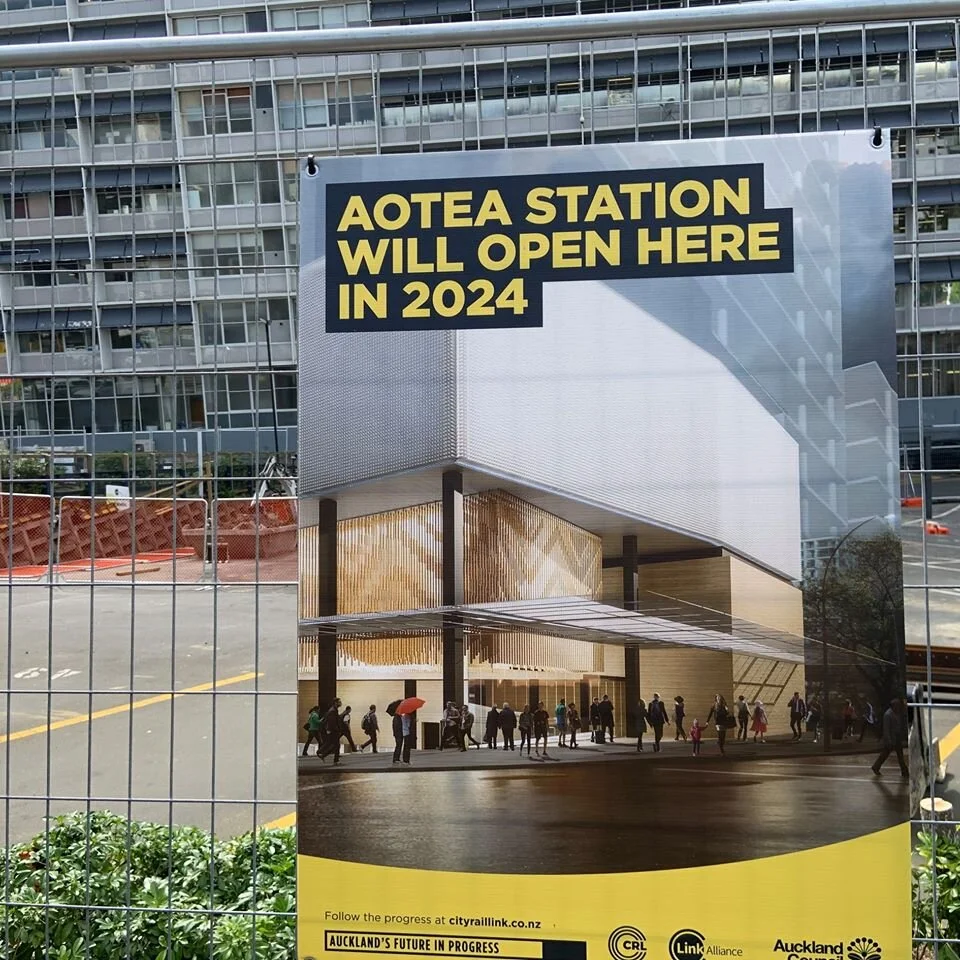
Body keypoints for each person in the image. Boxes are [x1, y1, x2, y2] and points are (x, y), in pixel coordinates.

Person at [872, 698, 909, 779]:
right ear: (893, 706)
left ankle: (904, 771)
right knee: (885, 754)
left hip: (897, 737)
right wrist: (888, 740)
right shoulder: (888, 715)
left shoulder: (897, 713)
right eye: (897, 706)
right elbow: (886, 729)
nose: (898, 707)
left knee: (899, 755)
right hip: (891, 738)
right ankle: (876, 766)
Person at [319, 698, 343, 764]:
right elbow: (332, 722)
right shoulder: (332, 711)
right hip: (334, 731)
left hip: (333, 730)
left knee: (333, 744)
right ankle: (335, 761)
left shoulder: (334, 710)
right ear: (335, 703)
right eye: (339, 702)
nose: (341, 703)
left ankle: (323, 754)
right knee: (336, 745)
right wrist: (336, 729)